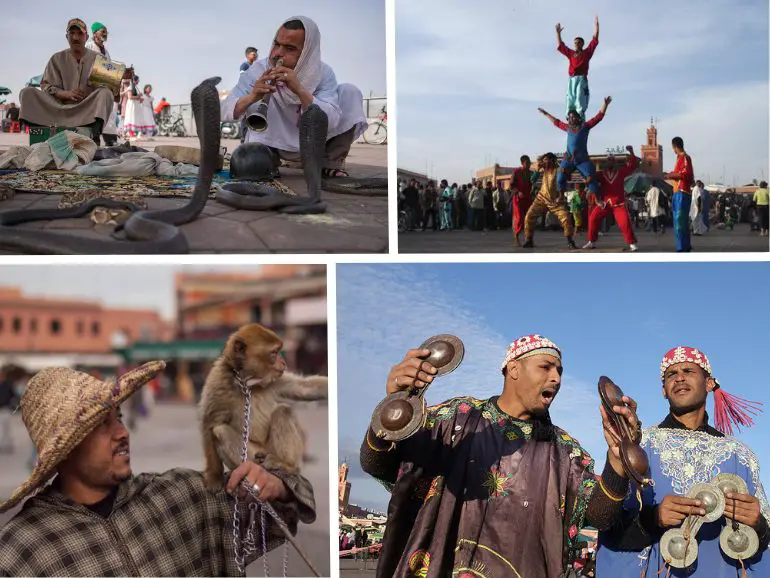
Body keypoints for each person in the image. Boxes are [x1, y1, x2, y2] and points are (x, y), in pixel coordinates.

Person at [361, 334, 641, 578]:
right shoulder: (457, 419)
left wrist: (616, 462)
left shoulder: (564, 451)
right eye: (545, 367)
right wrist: (393, 411)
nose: (555, 378)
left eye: (559, 371)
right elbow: (379, 465)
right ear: (513, 368)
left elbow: (600, 517)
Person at [0, 362, 315, 576]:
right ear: (65, 451)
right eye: (101, 425)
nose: (122, 433)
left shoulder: (184, 495)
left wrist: (276, 484)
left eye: (119, 418)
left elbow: (282, 514)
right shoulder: (24, 549)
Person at [597, 346, 769, 577]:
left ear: (709, 383)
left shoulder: (740, 455)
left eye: (688, 371)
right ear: (663, 391)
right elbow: (605, 524)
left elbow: (764, 538)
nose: (679, 378)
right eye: (671, 374)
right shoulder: (640, 445)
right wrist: (653, 518)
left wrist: (757, 523)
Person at [222, 16, 367, 179]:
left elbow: (331, 121)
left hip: (313, 143)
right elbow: (224, 111)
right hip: (272, 141)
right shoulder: (257, 70)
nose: (278, 53)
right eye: (276, 44)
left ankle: (329, 163)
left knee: (350, 91)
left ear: (307, 52)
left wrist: (299, 89)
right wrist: (252, 97)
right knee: (254, 105)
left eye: (289, 48)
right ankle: (268, 161)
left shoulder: (323, 73)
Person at [19, 18, 115, 145]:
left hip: (86, 109)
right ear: (67, 37)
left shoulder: (99, 58)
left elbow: (109, 88)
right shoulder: (56, 58)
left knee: (105, 93)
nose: (75, 37)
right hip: (58, 108)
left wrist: (120, 77)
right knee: (27, 93)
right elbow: (46, 85)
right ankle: (43, 131)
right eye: (72, 33)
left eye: (80, 34)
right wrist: (65, 94)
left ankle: (93, 133)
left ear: (86, 37)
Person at [538, 96, 612, 203]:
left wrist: (605, 104)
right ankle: (561, 196)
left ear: (579, 118)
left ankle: (598, 199)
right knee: (560, 177)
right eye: (570, 117)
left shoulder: (585, 127)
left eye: (573, 116)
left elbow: (598, 117)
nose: (571, 118)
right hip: (568, 159)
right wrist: (546, 114)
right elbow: (557, 122)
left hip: (582, 160)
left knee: (591, 176)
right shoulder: (568, 128)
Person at [583, 146, 640, 251]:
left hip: (619, 204)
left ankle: (632, 243)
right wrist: (587, 181)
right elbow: (591, 178)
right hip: (605, 204)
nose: (610, 162)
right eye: (608, 160)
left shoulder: (621, 172)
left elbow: (633, 165)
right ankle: (591, 241)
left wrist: (631, 151)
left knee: (625, 223)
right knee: (593, 218)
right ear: (606, 162)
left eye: (612, 160)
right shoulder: (601, 174)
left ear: (615, 162)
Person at [523, 152, 578, 249]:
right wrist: (537, 169)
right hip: (541, 198)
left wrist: (565, 168)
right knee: (528, 216)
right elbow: (532, 180)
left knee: (566, 217)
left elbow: (568, 176)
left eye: (546, 160)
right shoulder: (543, 170)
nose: (544, 162)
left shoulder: (558, 170)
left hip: (554, 200)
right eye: (543, 160)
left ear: (552, 161)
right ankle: (529, 239)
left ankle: (570, 240)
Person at [556, 15, 600, 119]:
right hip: (572, 79)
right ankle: (569, 116)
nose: (576, 44)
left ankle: (580, 116)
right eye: (575, 43)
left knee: (580, 97)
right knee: (570, 97)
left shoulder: (587, 53)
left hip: (581, 78)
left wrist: (596, 27)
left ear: (582, 44)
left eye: (578, 42)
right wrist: (558, 33)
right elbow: (561, 46)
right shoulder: (571, 54)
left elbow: (594, 40)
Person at [84, 21, 119, 146]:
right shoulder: (88, 46)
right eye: (102, 31)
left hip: (103, 85)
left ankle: (110, 140)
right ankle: (94, 139)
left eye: (106, 32)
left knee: (109, 112)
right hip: (90, 85)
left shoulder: (106, 52)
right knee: (94, 113)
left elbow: (108, 68)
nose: (105, 34)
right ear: (94, 33)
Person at [663, 136, 694, 252]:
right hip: (677, 193)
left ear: (675, 147)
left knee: (679, 221)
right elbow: (680, 173)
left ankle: (682, 247)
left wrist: (671, 175)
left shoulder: (685, 158)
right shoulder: (679, 159)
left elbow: (687, 175)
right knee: (680, 221)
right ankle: (685, 245)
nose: (673, 150)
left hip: (682, 193)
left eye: (673, 148)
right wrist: (670, 174)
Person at [510, 155, 534, 245]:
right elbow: (511, 185)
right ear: (522, 163)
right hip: (518, 198)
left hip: (528, 198)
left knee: (529, 218)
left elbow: (533, 184)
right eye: (527, 163)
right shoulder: (516, 172)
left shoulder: (531, 173)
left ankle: (529, 240)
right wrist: (518, 191)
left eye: (529, 163)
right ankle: (516, 237)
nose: (528, 165)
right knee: (519, 218)